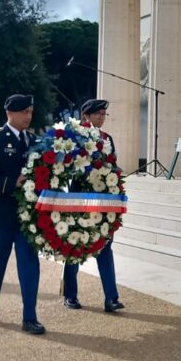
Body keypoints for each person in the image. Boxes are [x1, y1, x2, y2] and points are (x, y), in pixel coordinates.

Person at [0, 94, 45, 335]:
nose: (28, 116)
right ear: (10, 113)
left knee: (29, 264)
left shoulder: (34, 140)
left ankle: (30, 316)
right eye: (24, 111)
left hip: (27, 217)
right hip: (1, 212)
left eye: (30, 112)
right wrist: (10, 182)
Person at [61, 99, 125, 313]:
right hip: (80, 199)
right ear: (85, 116)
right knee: (75, 246)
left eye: (104, 114)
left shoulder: (108, 139)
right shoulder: (75, 136)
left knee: (105, 248)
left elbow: (113, 166)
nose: (101, 117)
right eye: (97, 114)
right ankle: (70, 294)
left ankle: (111, 298)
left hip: (104, 201)